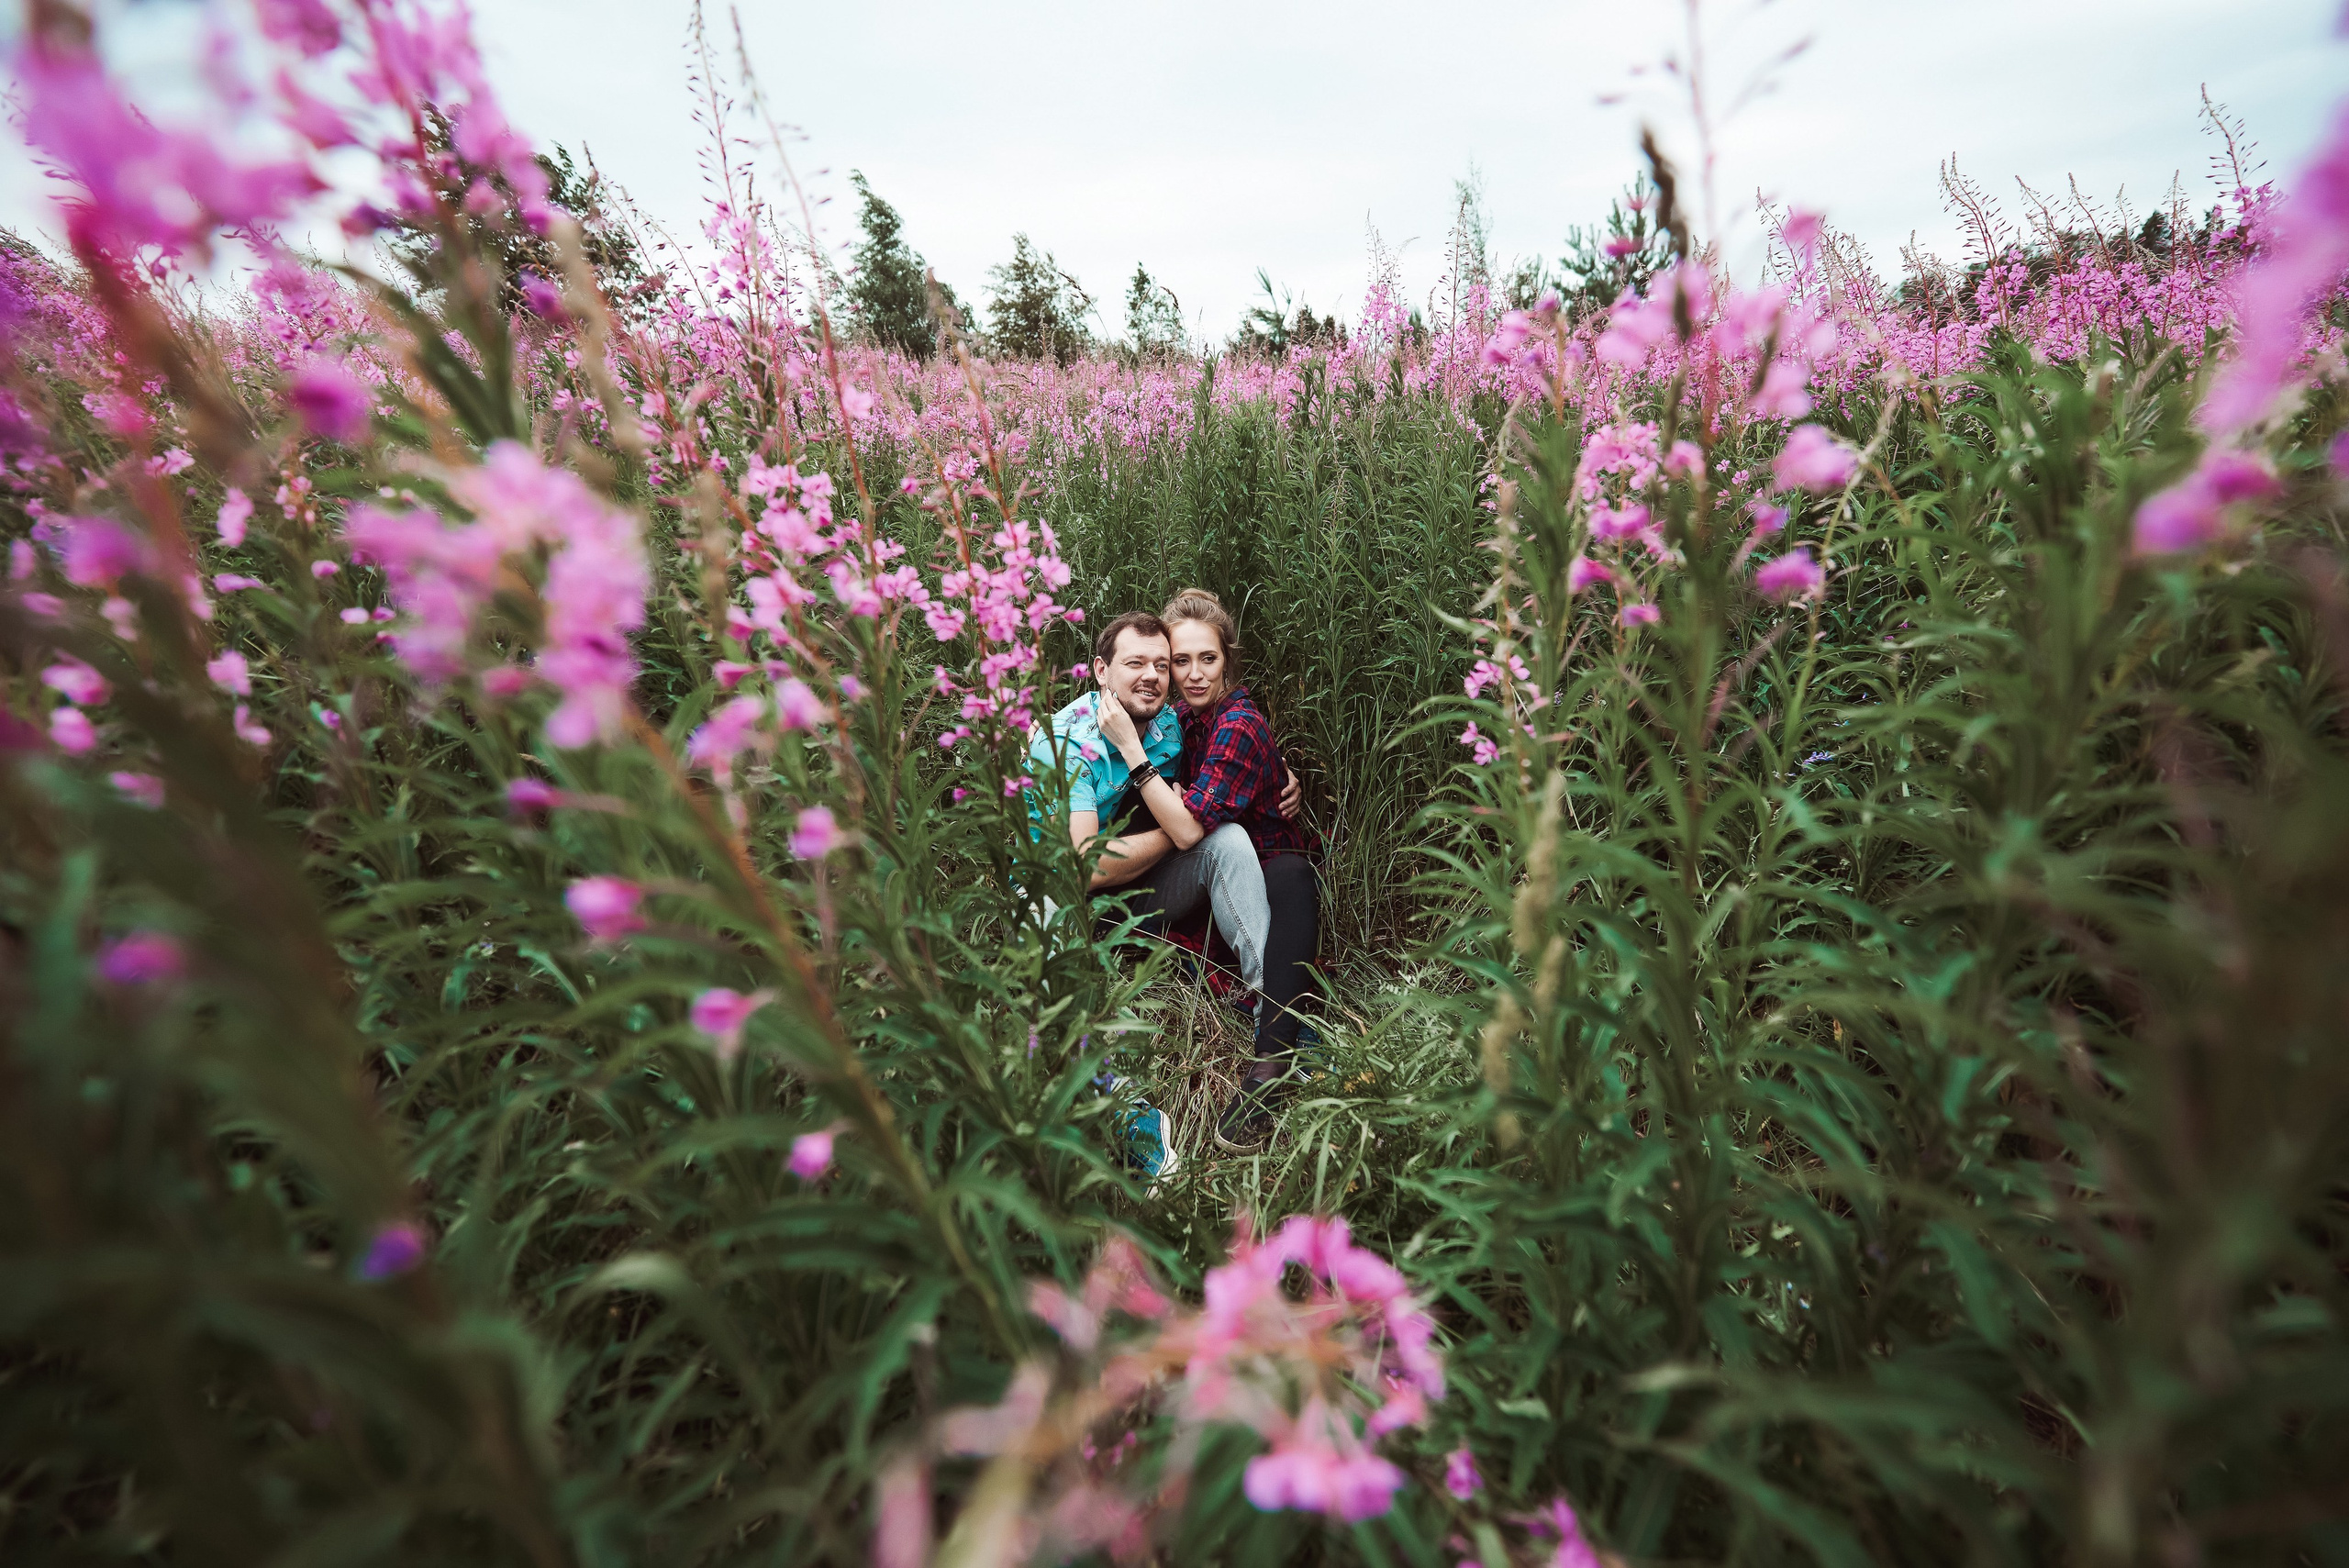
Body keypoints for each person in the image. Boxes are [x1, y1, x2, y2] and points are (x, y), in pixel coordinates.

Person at [1025, 609, 1301, 1176]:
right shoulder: (1066, 742)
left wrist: (1280, 775)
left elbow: (1215, 782)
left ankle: (1274, 1012)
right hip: (1065, 893)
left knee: (1225, 838)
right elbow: (1083, 867)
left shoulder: (1169, 725)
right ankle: (1127, 1110)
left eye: (1160, 664)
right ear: (1101, 670)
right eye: (1136, 664)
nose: (1153, 675)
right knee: (1049, 917)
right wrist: (1176, 833)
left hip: (1136, 896)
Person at [1157, 588, 1320, 1151]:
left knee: (1290, 875)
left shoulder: (1239, 722)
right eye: (1182, 661)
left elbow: (1196, 819)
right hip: (1218, 881)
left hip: (1269, 871)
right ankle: (1286, 1023)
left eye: (1209, 659)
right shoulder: (1177, 719)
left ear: (1228, 659)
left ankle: (1271, 1063)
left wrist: (1175, 796)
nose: (1196, 674)